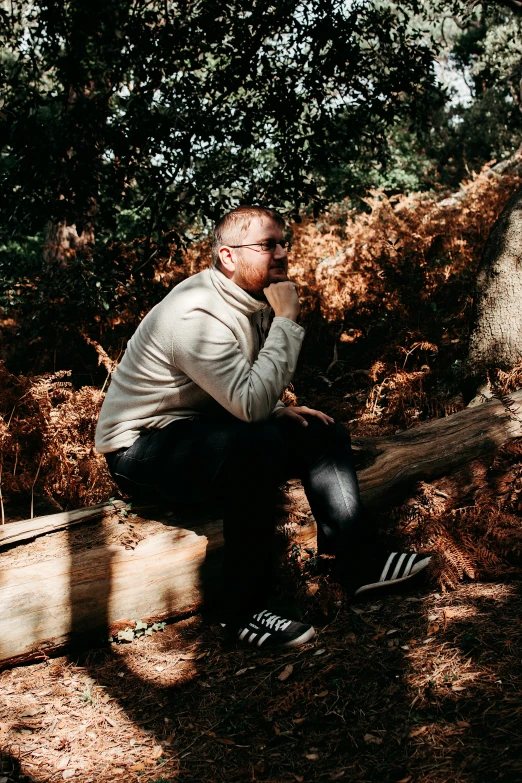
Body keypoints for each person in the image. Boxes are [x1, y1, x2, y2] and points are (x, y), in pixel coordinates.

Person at [95, 205, 431, 649]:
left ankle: (358, 563)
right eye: (267, 245)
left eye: (282, 242)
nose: (281, 253)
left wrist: (273, 409)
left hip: (201, 427)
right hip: (141, 448)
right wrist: (287, 325)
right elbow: (248, 405)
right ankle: (243, 609)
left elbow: (240, 389)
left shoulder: (248, 297)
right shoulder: (195, 314)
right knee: (254, 446)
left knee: (322, 431)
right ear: (228, 256)